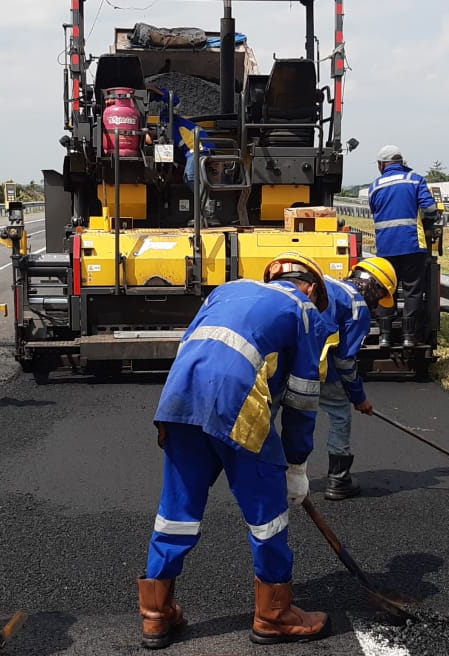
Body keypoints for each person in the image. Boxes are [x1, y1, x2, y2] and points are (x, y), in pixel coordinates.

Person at [138, 252, 332, 649]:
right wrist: (296, 464)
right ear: (310, 287)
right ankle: (274, 615)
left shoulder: (226, 291)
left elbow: (195, 344)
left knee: (176, 513)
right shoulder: (303, 310)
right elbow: (302, 398)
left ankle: (156, 615)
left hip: (179, 401)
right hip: (236, 407)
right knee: (268, 517)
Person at [319, 256, 397, 500]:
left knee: (288, 413)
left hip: (285, 363)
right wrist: (358, 397)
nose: (377, 303)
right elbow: (345, 361)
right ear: (375, 287)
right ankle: (338, 480)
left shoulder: (326, 283)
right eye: (381, 295)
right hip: (317, 369)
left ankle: (277, 478)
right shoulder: (357, 306)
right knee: (340, 412)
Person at [367, 145, 437, 348]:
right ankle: (409, 336)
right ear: (401, 162)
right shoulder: (415, 180)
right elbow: (430, 208)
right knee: (412, 291)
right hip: (412, 245)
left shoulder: (375, 186)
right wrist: (429, 223)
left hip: (386, 248)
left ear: (382, 165)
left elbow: (375, 210)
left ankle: (385, 336)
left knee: (386, 290)